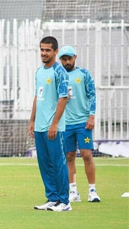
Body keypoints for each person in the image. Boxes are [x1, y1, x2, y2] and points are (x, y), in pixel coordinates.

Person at [28, 36, 71, 212]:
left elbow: (63, 98)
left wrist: (54, 123)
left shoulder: (59, 72)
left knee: (58, 163)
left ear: (55, 51)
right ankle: (52, 198)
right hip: (39, 126)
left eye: (47, 50)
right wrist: (32, 121)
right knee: (44, 163)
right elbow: (37, 97)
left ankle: (65, 201)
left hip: (54, 127)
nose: (44, 53)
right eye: (42, 50)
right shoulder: (39, 72)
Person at [59, 46, 100, 203]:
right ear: (60, 60)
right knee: (69, 156)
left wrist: (91, 116)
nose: (67, 61)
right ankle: (73, 191)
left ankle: (92, 190)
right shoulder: (58, 75)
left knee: (87, 155)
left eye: (69, 58)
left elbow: (92, 95)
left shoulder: (83, 74)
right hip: (65, 124)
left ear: (75, 57)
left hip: (83, 123)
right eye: (64, 59)